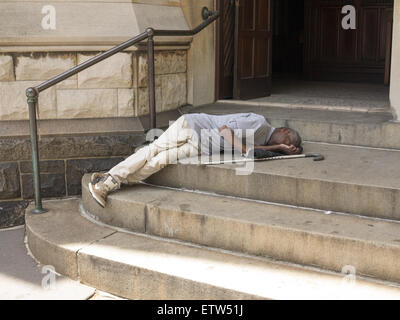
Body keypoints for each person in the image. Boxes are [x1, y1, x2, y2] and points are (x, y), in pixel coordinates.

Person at [88, 113, 302, 208]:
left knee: (158, 162)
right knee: (152, 151)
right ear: (283, 130)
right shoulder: (260, 124)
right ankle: (107, 181)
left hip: (200, 145)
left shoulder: (265, 139)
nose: (284, 144)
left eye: (287, 145)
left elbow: (252, 150)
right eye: (287, 139)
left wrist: (278, 148)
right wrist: (249, 149)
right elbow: (225, 131)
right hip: (192, 127)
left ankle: (114, 181)